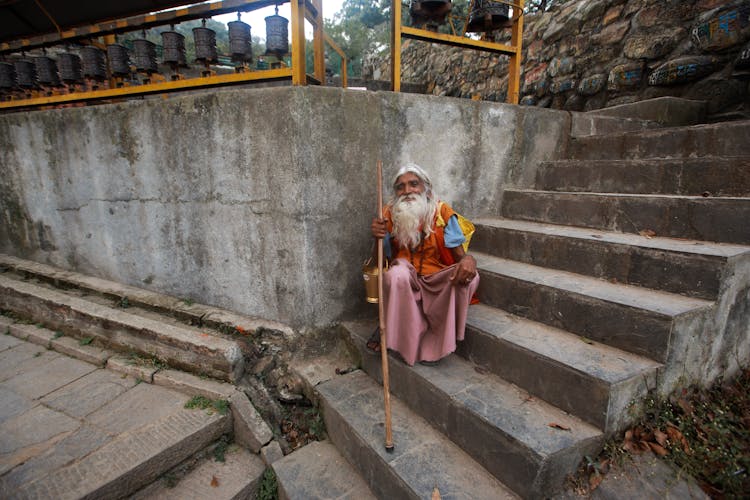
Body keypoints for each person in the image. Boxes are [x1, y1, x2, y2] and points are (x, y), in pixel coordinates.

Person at [369, 163, 479, 366]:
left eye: (413, 184)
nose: (407, 191)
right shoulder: (388, 214)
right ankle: (402, 340)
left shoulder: (441, 212)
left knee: (471, 276)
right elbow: (378, 260)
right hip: (406, 280)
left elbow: (460, 256)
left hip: (435, 280)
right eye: (400, 187)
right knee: (395, 274)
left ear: (425, 187)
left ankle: (435, 344)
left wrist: (469, 260)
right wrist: (377, 236)